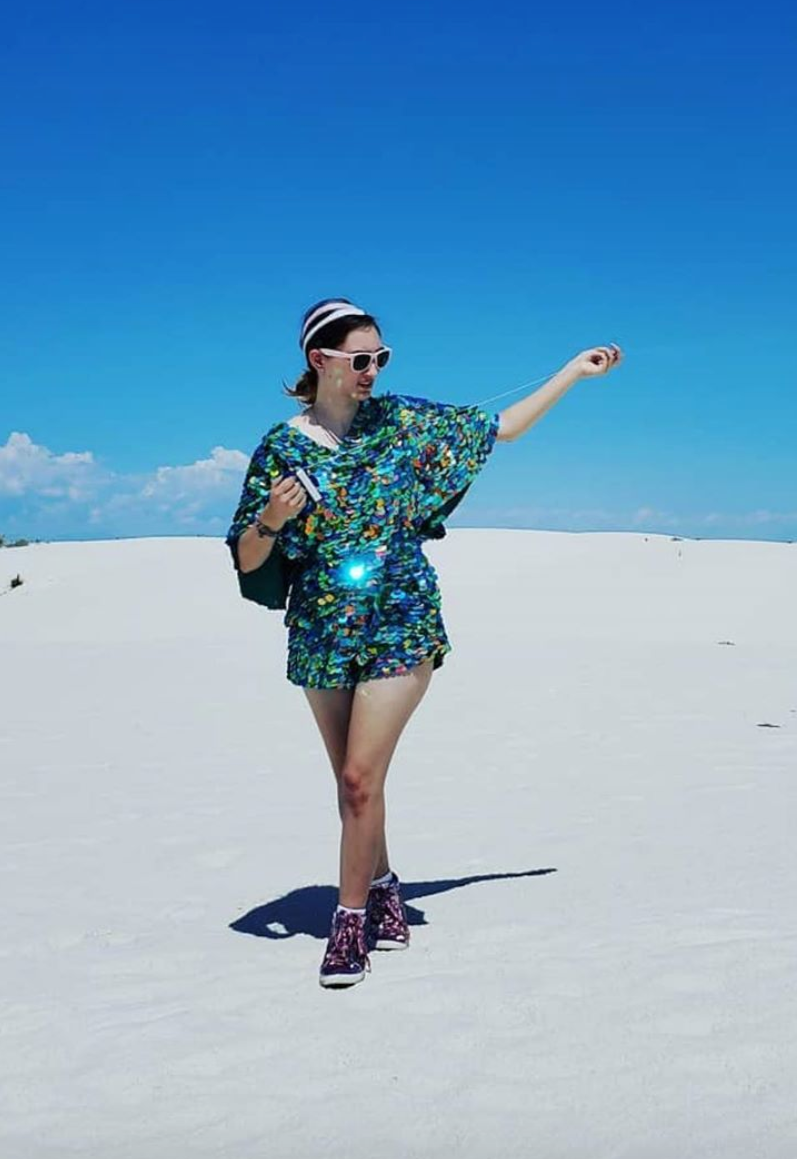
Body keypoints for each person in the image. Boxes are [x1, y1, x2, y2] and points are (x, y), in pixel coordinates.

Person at [226, 298, 623, 988]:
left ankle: (350, 926)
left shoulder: (404, 421)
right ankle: (381, 888)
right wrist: (269, 518)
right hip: (321, 630)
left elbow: (501, 429)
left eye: (382, 358)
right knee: (356, 787)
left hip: (401, 619)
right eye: (361, 360)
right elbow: (247, 560)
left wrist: (570, 373)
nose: (374, 370)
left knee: (357, 780)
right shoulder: (282, 448)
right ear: (320, 360)